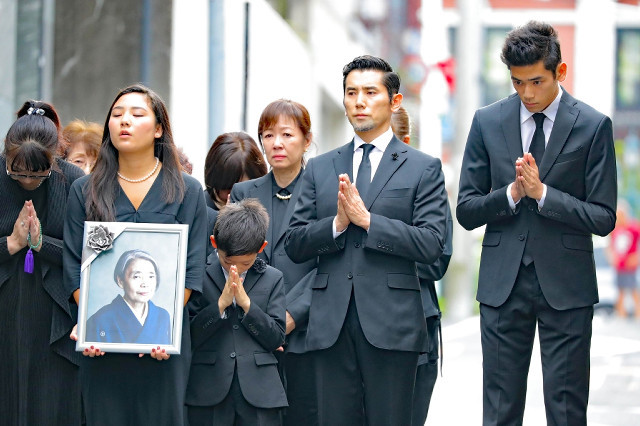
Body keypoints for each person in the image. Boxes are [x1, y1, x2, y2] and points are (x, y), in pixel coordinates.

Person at [456, 21, 617, 425]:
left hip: (568, 286)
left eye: (536, 81)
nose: (526, 93)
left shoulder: (593, 126)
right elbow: (467, 210)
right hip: (502, 285)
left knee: (566, 409)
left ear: (559, 72)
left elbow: (603, 216)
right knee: (499, 410)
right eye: (516, 82)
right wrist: (512, 194)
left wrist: (543, 194)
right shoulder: (486, 121)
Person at [285, 55, 448, 425]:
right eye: (351, 92)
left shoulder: (423, 167)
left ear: (394, 101)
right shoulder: (321, 166)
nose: (358, 101)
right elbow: (294, 243)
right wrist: (337, 225)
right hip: (330, 326)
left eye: (370, 92)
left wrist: (369, 222)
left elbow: (432, 243)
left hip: (393, 325)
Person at [63, 83, 207, 425]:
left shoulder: (187, 191)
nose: (124, 121)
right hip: (102, 344)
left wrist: (158, 331)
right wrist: (92, 324)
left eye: (137, 114)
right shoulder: (86, 189)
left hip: (162, 347)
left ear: (158, 129)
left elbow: (191, 269)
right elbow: (75, 264)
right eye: (117, 114)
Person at [231, 99, 318, 425]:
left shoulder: (324, 192)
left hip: (306, 334)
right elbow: (234, 257)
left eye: (287, 134)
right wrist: (261, 316)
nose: (276, 143)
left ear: (307, 140)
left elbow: (330, 265)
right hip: (253, 329)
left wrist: (291, 315)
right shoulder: (243, 193)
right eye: (268, 135)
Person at [0, 101, 84, 425]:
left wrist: (39, 243)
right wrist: (11, 243)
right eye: (17, 173)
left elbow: (88, 255)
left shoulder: (75, 181)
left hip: (56, 309)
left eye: (38, 174)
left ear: (54, 159)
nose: (27, 181)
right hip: (6, 302)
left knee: (52, 400)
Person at [186, 199, 287, 425]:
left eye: (245, 263)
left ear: (261, 247)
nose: (236, 269)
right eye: (227, 261)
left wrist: (247, 305)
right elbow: (189, 334)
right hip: (208, 388)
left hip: (261, 391)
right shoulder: (199, 276)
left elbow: (277, 337)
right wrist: (220, 305)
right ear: (214, 243)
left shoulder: (273, 278)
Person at [390, 106, 453, 426]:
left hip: (417, 322)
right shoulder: (349, 183)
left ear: (405, 141)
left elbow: (438, 259)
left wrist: (383, 249)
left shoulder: (428, 188)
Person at [85, 249, 171, 344]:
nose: (145, 284)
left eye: (151, 276)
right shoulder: (100, 319)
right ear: (120, 281)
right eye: (137, 277)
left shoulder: (162, 316)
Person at [204, 132, 267, 210]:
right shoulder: (201, 211)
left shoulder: (271, 206)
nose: (234, 196)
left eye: (242, 187)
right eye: (229, 188)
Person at [608, 200, 640, 318]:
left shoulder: (634, 228)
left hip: (630, 266)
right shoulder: (615, 230)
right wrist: (612, 257)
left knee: (633, 290)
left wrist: (636, 257)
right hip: (619, 266)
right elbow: (610, 247)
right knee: (620, 292)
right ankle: (621, 315)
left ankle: (638, 315)